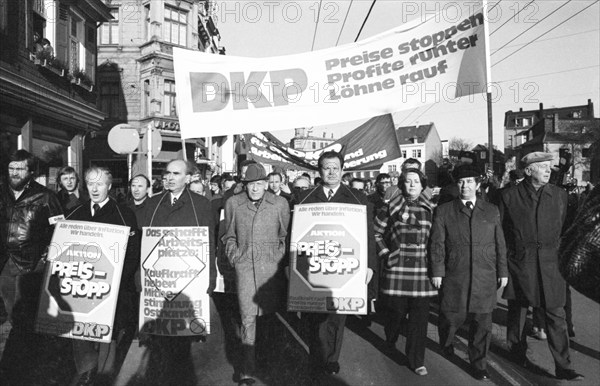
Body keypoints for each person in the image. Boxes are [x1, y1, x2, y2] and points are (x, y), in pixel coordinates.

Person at [499, 152, 584, 381]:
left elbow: (568, 228)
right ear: (528, 171)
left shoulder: (559, 196)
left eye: (549, 167)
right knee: (518, 312)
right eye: (543, 167)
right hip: (520, 263)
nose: (549, 170)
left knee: (556, 315)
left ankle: (563, 366)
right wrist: (505, 262)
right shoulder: (508, 196)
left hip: (550, 265)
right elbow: (500, 233)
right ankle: (517, 353)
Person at [293, 151, 376, 376]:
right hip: (315, 265)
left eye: (335, 168)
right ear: (319, 171)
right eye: (326, 167)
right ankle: (317, 356)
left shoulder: (358, 198)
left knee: (337, 317)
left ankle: (331, 359)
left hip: (345, 265)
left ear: (342, 171)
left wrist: (370, 267)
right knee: (315, 316)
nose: (331, 172)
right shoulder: (305, 197)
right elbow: (296, 234)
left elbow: (368, 235)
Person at [139, 159, 216, 384]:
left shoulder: (200, 205)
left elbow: (207, 244)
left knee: (182, 342)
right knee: (160, 341)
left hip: (187, 282)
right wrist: (139, 277)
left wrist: (210, 277)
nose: (170, 178)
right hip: (158, 281)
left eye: (176, 173)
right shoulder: (153, 204)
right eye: (167, 173)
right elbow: (145, 243)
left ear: (188, 178)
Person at [430, 165, 508, 381]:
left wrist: (503, 270)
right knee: (449, 319)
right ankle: (446, 343)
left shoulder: (491, 210)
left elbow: (500, 243)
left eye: (470, 182)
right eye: (461, 182)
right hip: (456, 275)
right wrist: (437, 271)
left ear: (478, 185)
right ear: (457, 185)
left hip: (485, 276)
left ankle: (479, 364)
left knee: (482, 324)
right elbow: (437, 244)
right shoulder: (444, 210)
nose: (465, 186)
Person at [66, 166, 140, 385]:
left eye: (100, 183)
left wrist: (118, 280)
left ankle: (103, 375)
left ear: (109, 186)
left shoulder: (123, 214)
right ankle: (86, 370)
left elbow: (132, 253)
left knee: (108, 332)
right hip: (81, 285)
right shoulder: (75, 213)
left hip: (110, 286)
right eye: (90, 183)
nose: (95, 188)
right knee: (79, 330)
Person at [222, 163, 290, 386]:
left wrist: (277, 258)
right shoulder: (234, 203)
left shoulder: (280, 204)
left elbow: (284, 237)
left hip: (270, 272)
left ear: (266, 184)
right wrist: (235, 257)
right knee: (247, 318)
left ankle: (268, 366)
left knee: (270, 319)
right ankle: (247, 371)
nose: (255, 189)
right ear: (245, 185)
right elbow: (228, 236)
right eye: (251, 184)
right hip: (245, 270)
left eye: (259, 184)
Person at [0, 150, 64, 384]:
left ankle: (23, 368)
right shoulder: (2, 192)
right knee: (12, 317)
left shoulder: (46, 197)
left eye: (19, 169)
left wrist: (44, 259)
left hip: (30, 267)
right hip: (5, 265)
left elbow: (60, 231)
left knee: (25, 318)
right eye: (11, 168)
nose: (14, 173)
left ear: (30, 172)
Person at [373, 168, 437, 376]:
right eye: (408, 182)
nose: (412, 185)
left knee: (419, 320)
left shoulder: (432, 209)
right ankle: (390, 336)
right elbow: (376, 233)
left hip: (422, 270)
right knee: (396, 314)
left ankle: (416, 360)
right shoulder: (390, 207)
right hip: (397, 268)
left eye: (416, 182)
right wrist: (386, 254)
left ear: (422, 185)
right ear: (402, 184)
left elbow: (437, 240)